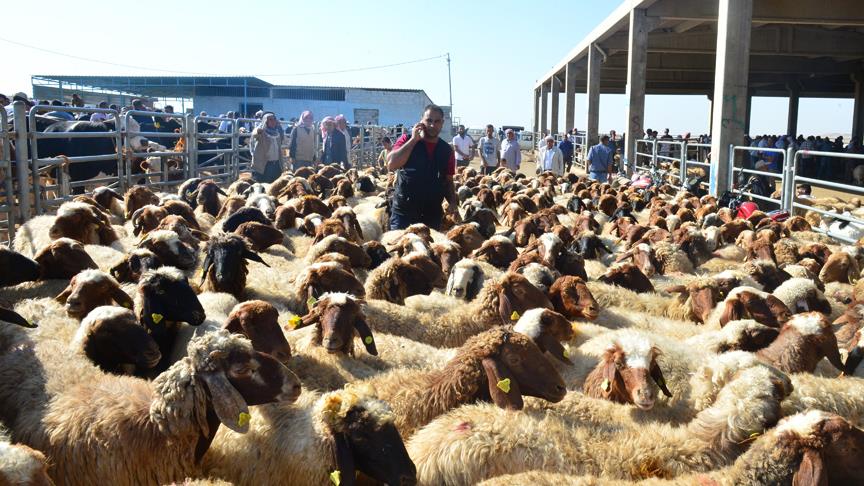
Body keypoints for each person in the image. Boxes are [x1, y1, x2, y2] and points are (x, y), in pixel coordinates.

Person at [386, 104, 457, 231]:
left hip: (431, 215)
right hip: (404, 213)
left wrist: (452, 202)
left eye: (437, 121)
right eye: (429, 120)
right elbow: (392, 164)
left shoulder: (446, 150)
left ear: (442, 123)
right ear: (421, 120)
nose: (432, 125)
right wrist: (413, 140)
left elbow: (448, 181)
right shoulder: (406, 140)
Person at [250, 112, 285, 183]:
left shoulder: (277, 133)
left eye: (274, 120)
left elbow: (283, 140)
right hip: (264, 166)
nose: (273, 122)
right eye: (270, 120)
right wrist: (258, 131)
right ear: (265, 121)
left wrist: (279, 127)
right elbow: (255, 134)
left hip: (276, 165)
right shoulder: (262, 132)